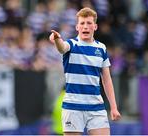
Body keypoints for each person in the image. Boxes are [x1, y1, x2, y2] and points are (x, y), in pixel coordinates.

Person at [49, 7, 121, 135]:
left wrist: (114, 107)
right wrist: (57, 39)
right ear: (77, 27)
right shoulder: (71, 44)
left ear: (95, 26)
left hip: (96, 107)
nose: (85, 26)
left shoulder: (101, 48)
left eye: (89, 23)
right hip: (73, 107)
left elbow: (107, 79)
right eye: (82, 23)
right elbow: (61, 47)